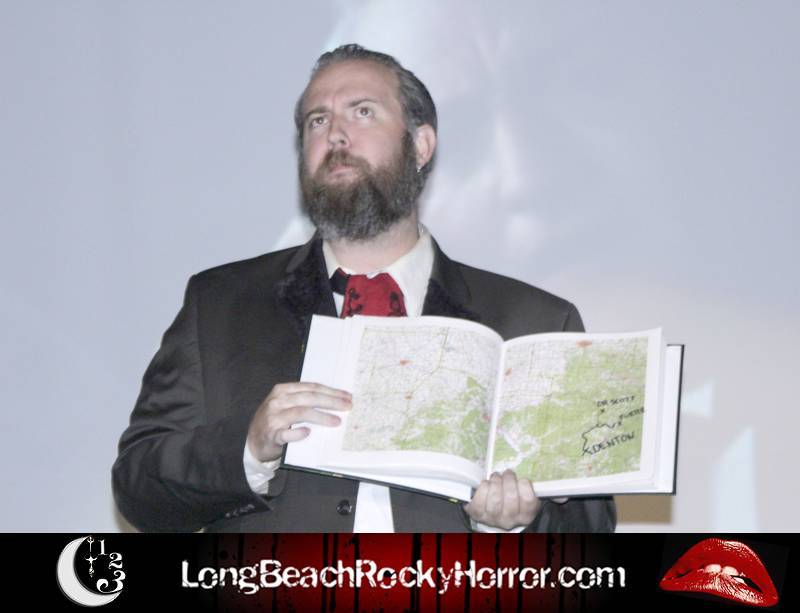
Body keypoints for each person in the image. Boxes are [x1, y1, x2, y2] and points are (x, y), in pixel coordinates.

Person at [112, 44, 616, 533]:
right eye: (317, 120)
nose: (335, 134)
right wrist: (247, 448)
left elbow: (589, 525)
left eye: (363, 112)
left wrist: (516, 524)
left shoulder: (534, 321)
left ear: (421, 145)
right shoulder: (220, 303)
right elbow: (138, 487)